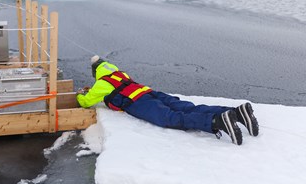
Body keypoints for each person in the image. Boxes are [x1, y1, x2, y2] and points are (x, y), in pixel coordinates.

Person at [76, 56, 259, 145]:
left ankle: (216, 121)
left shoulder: (102, 83)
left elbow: (85, 102)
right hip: (152, 93)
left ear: (96, 73)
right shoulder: (121, 74)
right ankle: (236, 112)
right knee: (188, 108)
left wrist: (81, 93)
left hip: (140, 103)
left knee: (170, 118)